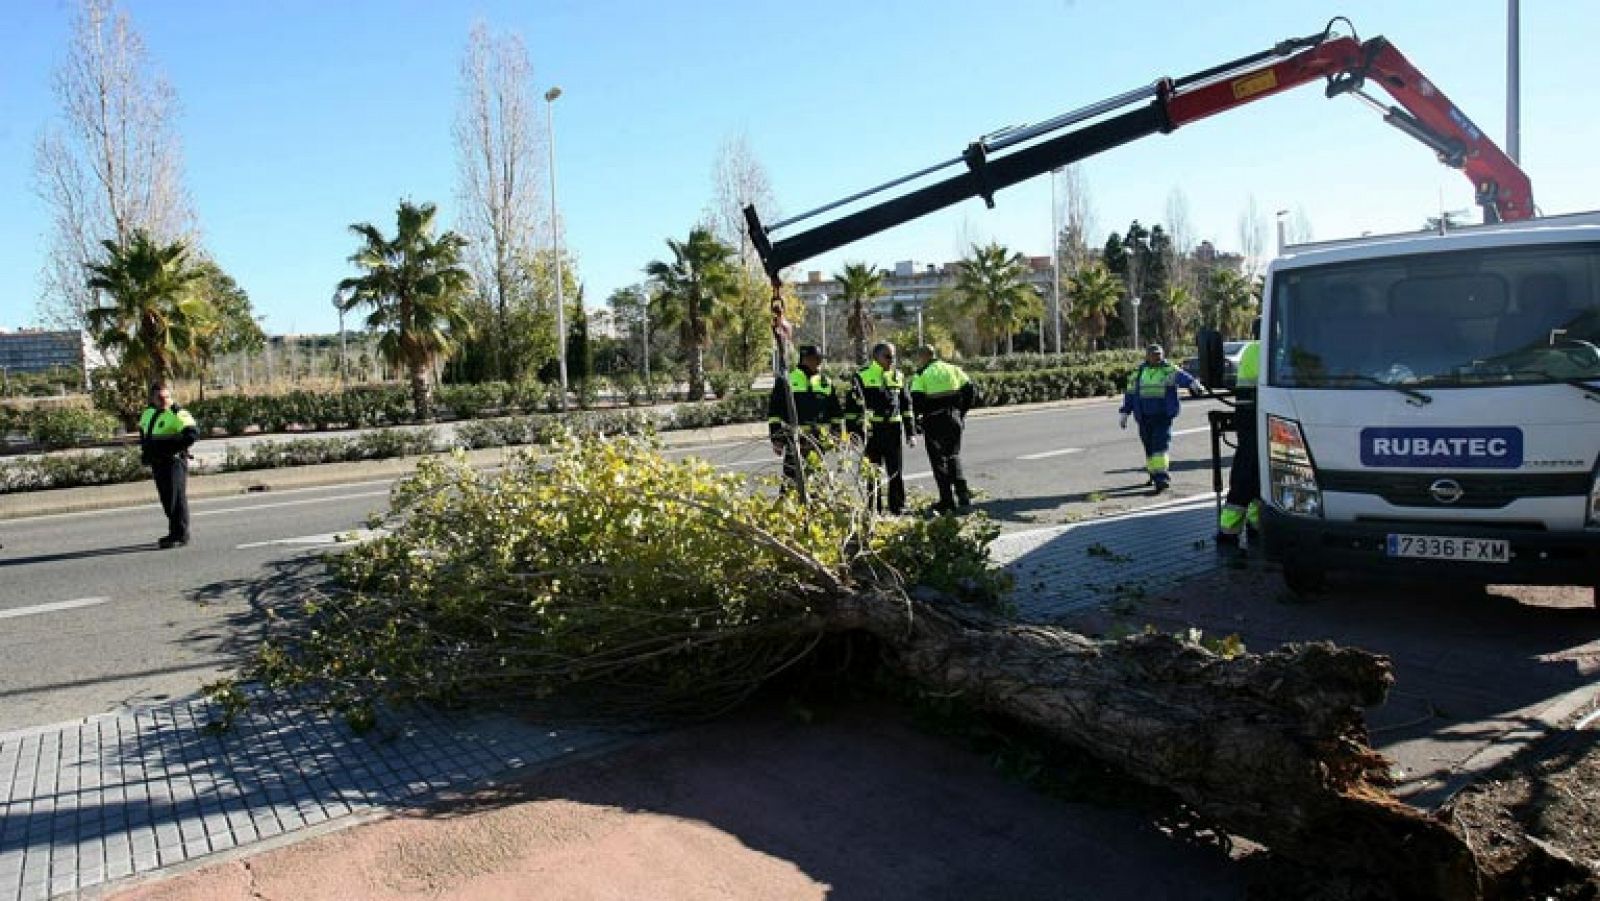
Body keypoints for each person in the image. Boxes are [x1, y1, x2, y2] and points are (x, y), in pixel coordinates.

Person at [1119, 343, 1204, 494]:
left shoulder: (1168, 369)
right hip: (1144, 417)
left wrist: (1194, 384)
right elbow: (1130, 393)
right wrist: (1125, 413)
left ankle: (1161, 478)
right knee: (1149, 447)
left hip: (1162, 416)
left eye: (1159, 354)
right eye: (1153, 354)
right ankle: (1153, 474)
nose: (1156, 357)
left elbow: (1183, 377)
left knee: (1159, 447)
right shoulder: (1138, 372)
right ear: (1147, 356)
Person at [848, 342, 916, 514]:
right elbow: (852, 408)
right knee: (873, 472)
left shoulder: (898, 376)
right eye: (888, 357)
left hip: (893, 430)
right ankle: (874, 508)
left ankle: (898, 506)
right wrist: (853, 433)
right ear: (876, 357)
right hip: (873, 431)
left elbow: (906, 406)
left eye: (894, 357)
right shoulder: (862, 376)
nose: (892, 360)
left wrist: (910, 432)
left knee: (896, 471)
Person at [909, 345, 976, 513]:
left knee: (938, 461)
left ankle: (947, 501)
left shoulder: (921, 374)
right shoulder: (953, 369)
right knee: (953, 455)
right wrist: (961, 412)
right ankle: (963, 496)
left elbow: (916, 400)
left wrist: (917, 421)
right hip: (954, 418)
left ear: (923, 357)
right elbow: (970, 390)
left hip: (933, 421)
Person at [768, 344, 843, 494]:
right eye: (817, 359)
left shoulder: (825, 382)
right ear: (805, 359)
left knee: (817, 481)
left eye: (821, 359)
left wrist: (837, 433)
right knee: (791, 481)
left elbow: (836, 412)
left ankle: (815, 507)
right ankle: (787, 507)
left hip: (818, 439)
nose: (820, 362)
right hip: (795, 439)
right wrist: (777, 439)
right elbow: (775, 412)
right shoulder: (787, 380)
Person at [138, 381, 200, 548]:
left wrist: (171, 448)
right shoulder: (148, 413)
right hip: (157, 463)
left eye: (167, 396)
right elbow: (144, 433)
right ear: (152, 398)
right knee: (166, 499)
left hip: (174, 462)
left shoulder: (177, 413)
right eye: (160, 397)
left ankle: (180, 534)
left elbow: (192, 434)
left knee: (176, 499)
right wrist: (146, 453)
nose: (164, 400)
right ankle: (174, 531)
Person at [1218, 332, 1262, 549]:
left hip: (1250, 416)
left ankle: (1252, 524)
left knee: (1251, 470)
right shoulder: (1267, 349)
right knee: (1251, 470)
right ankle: (1237, 528)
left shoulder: (1251, 349)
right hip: (1257, 416)